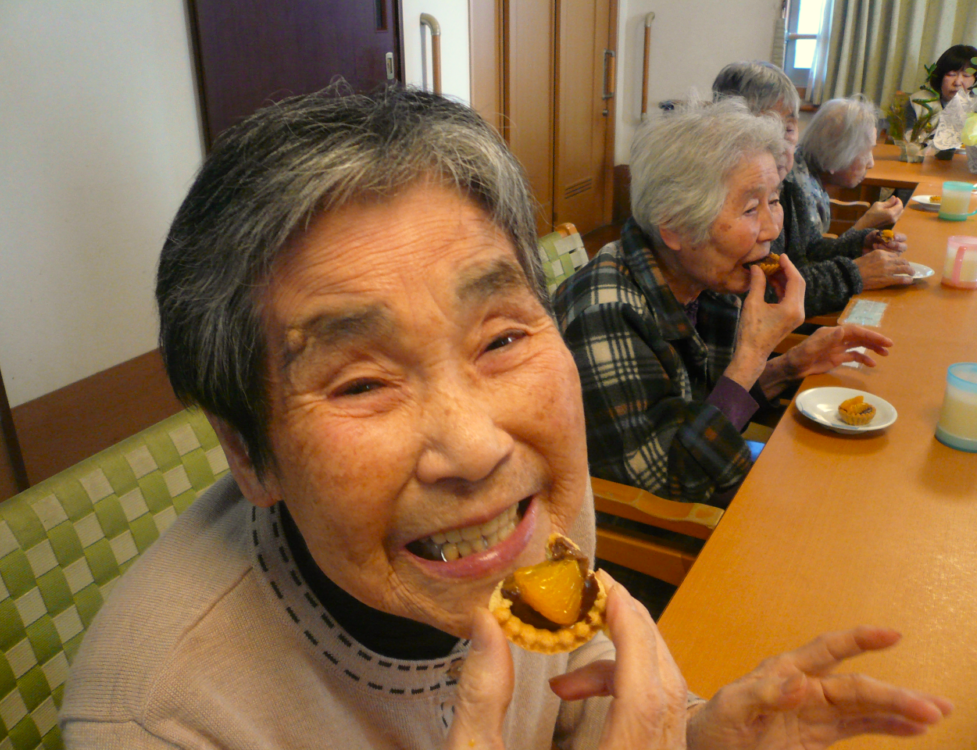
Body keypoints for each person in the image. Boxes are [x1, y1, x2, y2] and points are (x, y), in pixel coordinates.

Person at [59, 86, 951, 749]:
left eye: (499, 338)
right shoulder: (160, 722)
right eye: (362, 383)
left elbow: (578, 708)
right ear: (248, 454)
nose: (480, 449)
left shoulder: (526, 518)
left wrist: (704, 731)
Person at [553, 97, 894, 507]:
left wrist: (789, 366)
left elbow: (711, 407)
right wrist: (753, 353)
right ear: (675, 226)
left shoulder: (707, 277)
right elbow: (674, 477)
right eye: (750, 208)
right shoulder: (604, 311)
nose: (771, 228)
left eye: (773, 200)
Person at [713, 62, 911, 318]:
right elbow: (763, 295)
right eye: (763, 130)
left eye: (788, 129)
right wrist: (854, 273)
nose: (782, 147)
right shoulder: (722, 198)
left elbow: (808, 252)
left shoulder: (787, 186)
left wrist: (859, 244)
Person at [904, 44, 977, 137]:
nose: (957, 82)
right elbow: (902, 137)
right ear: (940, 76)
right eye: (951, 74)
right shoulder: (918, 101)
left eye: (966, 75)